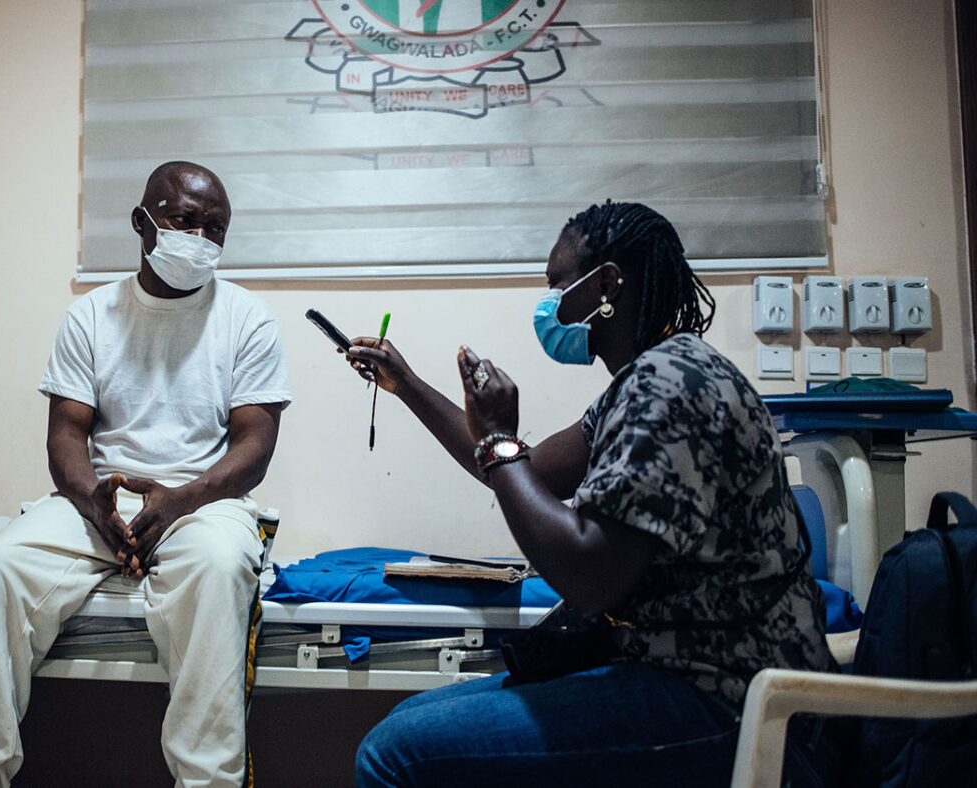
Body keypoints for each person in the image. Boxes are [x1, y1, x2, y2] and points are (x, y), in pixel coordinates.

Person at [345, 201, 837, 786]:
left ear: (606, 284)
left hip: (724, 696)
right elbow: (519, 471)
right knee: (409, 721)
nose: (548, 305)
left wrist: (499, 439)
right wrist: (407, 385)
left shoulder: (668, 387)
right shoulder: (649, 379)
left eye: (557, 285)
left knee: (394, 753)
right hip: (686, 673)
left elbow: (589, 575)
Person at [0, 161, 292, 788]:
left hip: (202, 499)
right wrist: (96, 504)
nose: (201, 239)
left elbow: (254, 448)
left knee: (220, 566)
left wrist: (179, 501)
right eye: (186, 220)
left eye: (216, 229)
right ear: (142, 222)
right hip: (101, 496)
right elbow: (66, 435)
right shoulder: (92, 315)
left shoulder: (247, 318)